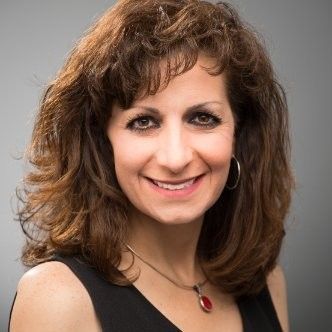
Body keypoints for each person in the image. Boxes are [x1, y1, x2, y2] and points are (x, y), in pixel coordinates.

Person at [9, 0, 294, 331]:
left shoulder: (268, 282)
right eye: (143, 122)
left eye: (203, 118)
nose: (175, 158)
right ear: (103, 143)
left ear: (239, 135)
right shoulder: (58, 299)